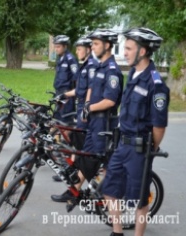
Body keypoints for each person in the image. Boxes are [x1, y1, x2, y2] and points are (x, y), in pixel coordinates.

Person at [102, 27, 169, 236]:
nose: (125, 53)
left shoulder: (155, 84)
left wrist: (150, 148)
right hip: (122, 144)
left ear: (143, 51)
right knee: (109, 190)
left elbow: (159, 126)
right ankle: (117, 232)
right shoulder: (132, 73)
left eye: (129, 48)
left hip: (139, 150)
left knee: (138, 199)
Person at [51, 29, 123, 202]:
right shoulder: (99, 67)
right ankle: (76, 192)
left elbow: (110, 101)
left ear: (108, 45)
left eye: (96, 43)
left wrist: (89, 108)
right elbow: (90, 89)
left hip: (105, 123)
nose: (93, 46)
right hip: (93, 120)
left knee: (98, 160)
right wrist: (86, 109)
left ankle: (103, 197)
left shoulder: (112, 71)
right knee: (87, 156)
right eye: (92, 43)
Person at [50, 37, 98, 199]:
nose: (77, 52)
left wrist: (69, 97)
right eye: (77, 49)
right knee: (78, 145)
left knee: (82, 148)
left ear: (88, 50)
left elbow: (85, 90)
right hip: (79, 107)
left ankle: (74, 188)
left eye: (80, 49)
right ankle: (70, 176)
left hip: (83, 110)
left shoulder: (90, 66)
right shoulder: (85, 64)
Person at [52, 35, 79, 122]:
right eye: (55, 47)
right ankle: (56, 135)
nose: (56, 49)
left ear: (65, 46)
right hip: (59, 92)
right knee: (57, 117)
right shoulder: (60, 58)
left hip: (67, 93)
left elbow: (76, 77)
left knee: (65, 119)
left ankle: (66, 135)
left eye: (58, 47)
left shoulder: (71, 59)